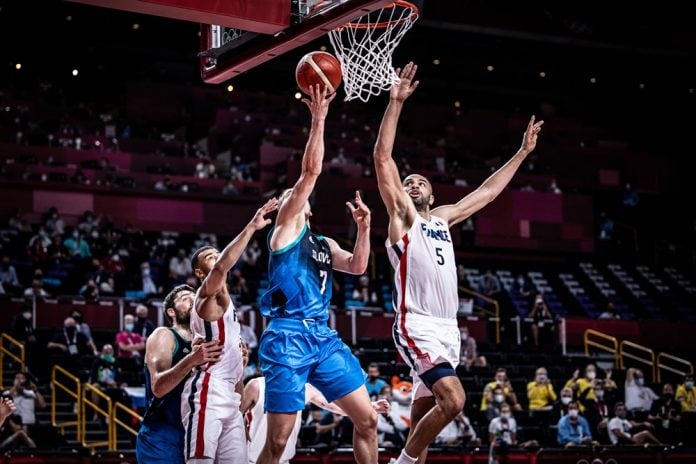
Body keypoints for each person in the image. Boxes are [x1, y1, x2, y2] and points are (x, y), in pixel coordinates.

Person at [373, 62, 543, 464]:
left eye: (421, 182)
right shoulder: (402, 217)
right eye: (408, 181)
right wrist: (395, 103)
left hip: (449, 330)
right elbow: (383, 159)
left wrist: (521, 152)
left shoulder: (443, 217)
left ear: (432, 197)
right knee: (455, 402)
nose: (412, 183)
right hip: (417, 324)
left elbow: (485, 193)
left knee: (421, 422)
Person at [257, 85, 377, 464]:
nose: (299, 192)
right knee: (277, 443)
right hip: (287, 337)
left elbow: (357, 267)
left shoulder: (323, 242)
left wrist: (364, 229)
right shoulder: (286, 227)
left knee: (369, 420)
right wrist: (320, 117)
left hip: (322, 336)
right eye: (296, 191)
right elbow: (310, 171)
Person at [182, 197, 278, 463]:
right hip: (207, 392)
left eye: (217, 253)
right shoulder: (204, 296)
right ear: (201, 273)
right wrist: (251, 226)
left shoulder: (229, 306)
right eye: (210, 258)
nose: (218, 258)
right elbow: (224, 266)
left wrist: (238, 359)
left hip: (230, 395)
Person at [136, 284, 224, 464]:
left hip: (200, 431)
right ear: (171, 312)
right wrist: (191, 360)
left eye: (194, 297)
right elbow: (158, 388)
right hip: (163, 433)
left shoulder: (211, 341)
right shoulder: (164, 335)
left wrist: (239, 366)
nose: (192, 300)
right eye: (185, 299)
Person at [243, 376, 389, 464]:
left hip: (284, 460)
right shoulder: (256, 385)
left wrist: (370, 406)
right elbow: (234, 416)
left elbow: (339, 408)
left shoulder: (305, 387)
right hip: (250, 459)